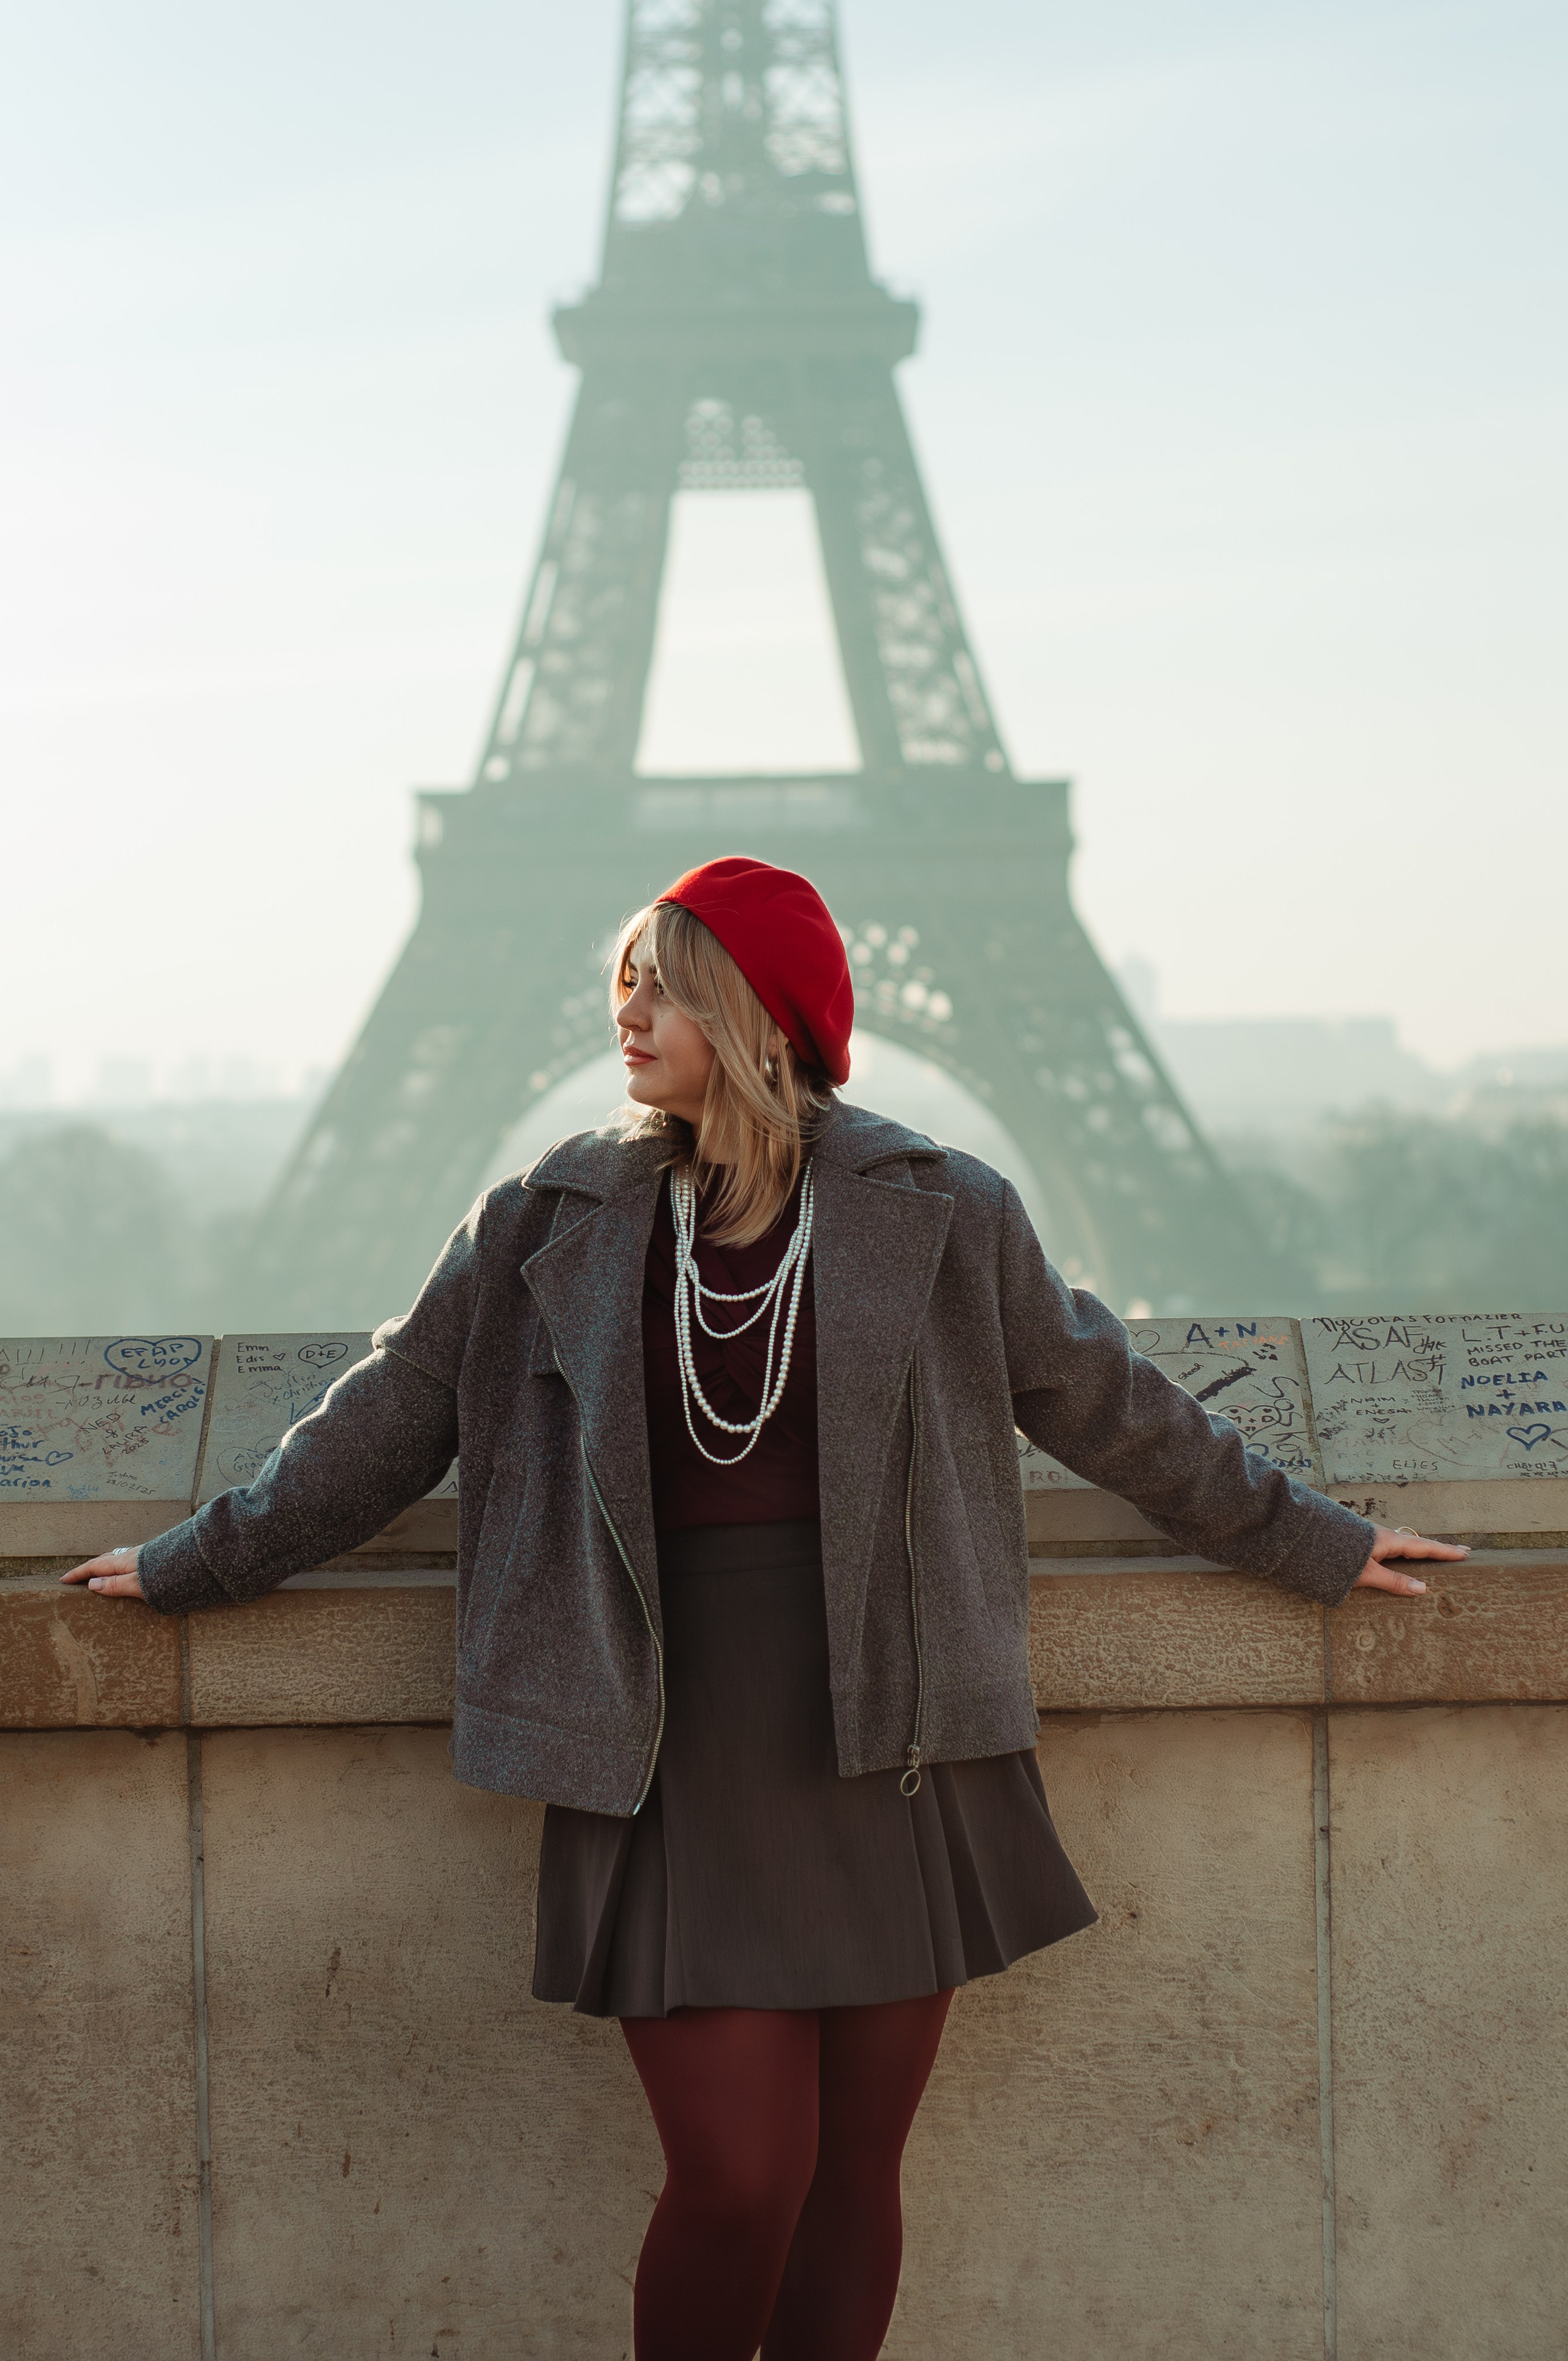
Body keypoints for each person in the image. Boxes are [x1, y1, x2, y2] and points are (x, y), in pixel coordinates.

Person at [64, 854, 1466, 2360]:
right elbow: (387, 1420)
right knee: (740, 2174)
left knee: (855, 2171)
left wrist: (1313, 1539)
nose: (628, 1011)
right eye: (622, 981)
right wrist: (192, 1559)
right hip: (659, 1724)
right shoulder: (546, 1215)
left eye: (663, 981)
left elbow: (1106, 1403)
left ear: (754, 1006)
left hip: (890, 1716)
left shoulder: (937, 1206)